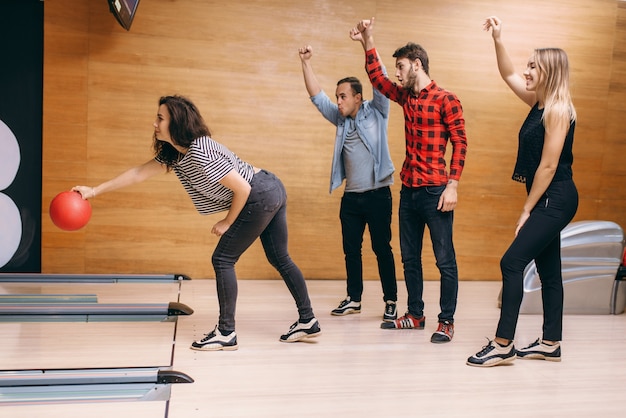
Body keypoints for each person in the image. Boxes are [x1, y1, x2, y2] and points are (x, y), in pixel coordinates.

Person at [72, 95, 320, 351]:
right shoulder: (176, 155)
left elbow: (243, 189)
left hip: (259, 193)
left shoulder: (200, 151)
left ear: (176, 122)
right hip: (271, 186)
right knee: (280, 258)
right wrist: (94, 190)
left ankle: (226, 332)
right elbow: (137, 173)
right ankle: (307, 320)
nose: (154, 123)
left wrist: (227, 221)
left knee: (223, 259)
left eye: (160, 118)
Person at [467, 17, 578, 367]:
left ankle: (503, 343)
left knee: (511, 261)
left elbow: (547, 166)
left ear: (549, 73)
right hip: (547, 195)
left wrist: (527, 209)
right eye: (528, 65)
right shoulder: (538, 102)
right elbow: (507, 73)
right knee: (549, 272)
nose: (526, 71)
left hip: (555, 197)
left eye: (533, 66)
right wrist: (498, 39)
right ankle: (550, 342)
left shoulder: (558, 110)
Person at [352, 18, 468, 343]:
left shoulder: (447, 99)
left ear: (417, 64)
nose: (398, 73)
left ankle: (447, 321)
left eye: (401, 66)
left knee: (445, 259)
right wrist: (367, 38)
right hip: (409, 191)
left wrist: (453, 184)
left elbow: (460, 142)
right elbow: (377, 77)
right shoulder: (407, 98)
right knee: (410, 257)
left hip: (436, 191)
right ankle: (415, 314)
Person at [298, 41, 398, 322]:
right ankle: (354, 299)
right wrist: (306, 63)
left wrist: (368, 41)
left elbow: (381, 79)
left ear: (358, 97)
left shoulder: (378, 111)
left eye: (343, 96)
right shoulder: (340, 120)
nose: (338, 101)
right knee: (351, 250)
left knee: (382, 249)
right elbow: (317, 97)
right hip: (352, 198)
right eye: (337, 97)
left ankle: (391, 300)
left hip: (378, 195)